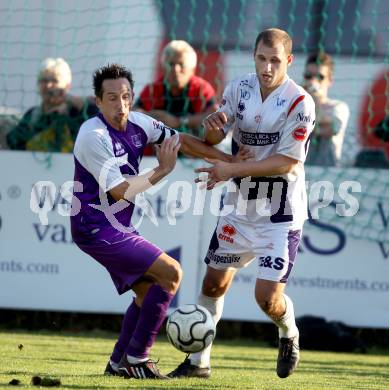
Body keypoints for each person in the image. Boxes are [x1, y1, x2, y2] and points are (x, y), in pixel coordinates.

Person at [70, 63, 244, 380]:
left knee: (147, 291)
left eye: (125, 96)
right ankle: (138, 358)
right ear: (97, 101)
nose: (120, 105)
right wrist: (162, 171)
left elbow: (184, 142)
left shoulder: (138, 123)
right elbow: (120, 190)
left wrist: (230, 162)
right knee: (171, 272)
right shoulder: (92, 136)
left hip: (116, 226)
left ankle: (118, 361)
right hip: (94, 226)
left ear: (132, 97)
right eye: (111, 98)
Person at [168, 28, 315, 380]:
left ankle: (288, 332)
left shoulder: (300, 102)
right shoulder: (238, 88)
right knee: (213, 284)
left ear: (289, 61)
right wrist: (214, 126)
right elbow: (214, 135)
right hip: (239, 206)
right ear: (254, 56)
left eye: (275, 60)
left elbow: (286, 163)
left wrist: (232, 167)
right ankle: (197, 363)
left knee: (267, 299)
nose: (267, 67)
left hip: (279, 214)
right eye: (262, 58)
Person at [7, 57, 98, 152]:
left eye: (54, 81)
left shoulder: (76, 112)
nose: (48, 85)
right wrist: (46, 118)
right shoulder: (33, 115)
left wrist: (81, 105)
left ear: (67, 85)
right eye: (44, 80)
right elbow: (13, 142)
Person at [135, 40, 218, 138]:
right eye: (171, 64)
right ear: (163, 66)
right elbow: (134, 113)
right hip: (158, 150)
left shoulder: (201, 89)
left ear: (192, 68)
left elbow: (215, 115)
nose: (175, 69)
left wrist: (179, 121)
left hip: (193, 149)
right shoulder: (152, 89)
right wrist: (152, 117)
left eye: (181, 64)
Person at [303, 52, 350, 166]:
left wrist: (315, 101)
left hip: (328, 172)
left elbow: (329, 130)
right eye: (309, 76)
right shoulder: (296, 105)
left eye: (320, 77)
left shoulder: (338, 107)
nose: (313, 81)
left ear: (330, 81)